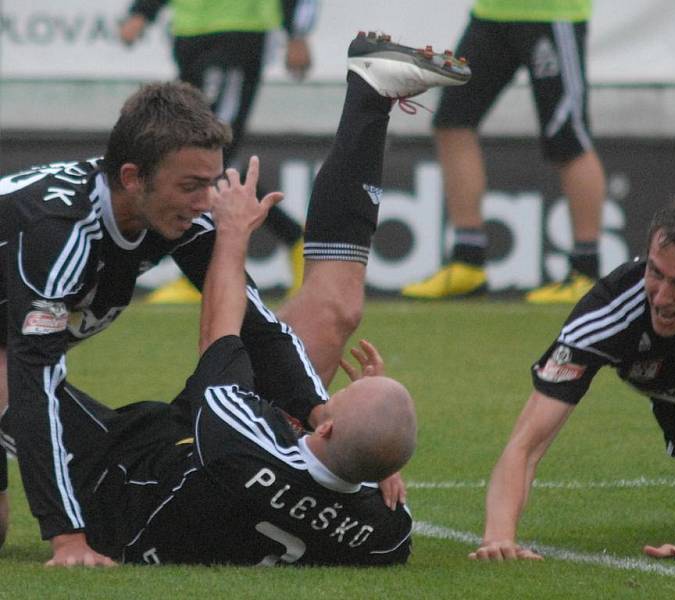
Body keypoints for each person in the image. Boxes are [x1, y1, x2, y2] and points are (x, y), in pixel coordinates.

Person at [0, 31, 469, 564]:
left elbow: (256, 326)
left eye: (212, 183)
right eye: (191, 187)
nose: (206, 203)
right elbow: (33, 376)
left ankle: (369, 97)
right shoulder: (56, 230)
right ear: (133, 178)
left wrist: (328, 422)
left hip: (150, 435)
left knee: (328, 316)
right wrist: (67, 536)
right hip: (30, 371)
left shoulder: (170, 208)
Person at [40, 147, 416, 566]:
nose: (322, 402)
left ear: (326, 429)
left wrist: (233, 234)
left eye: (332, 402)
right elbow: (371, 465)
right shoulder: (388, 535)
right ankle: (368, 104)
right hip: (205, 479)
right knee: (314, 329)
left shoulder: (240, 439)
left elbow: (220, 330)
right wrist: (378, 456)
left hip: (124, 481)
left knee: (10, 372)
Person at [471, 194, 675, 564]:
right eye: (655, 272)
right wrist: (499, 537)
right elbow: (525, 445)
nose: (661, 298)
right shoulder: (612, 309)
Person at [401, 0, 607, 303]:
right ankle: (468, 261)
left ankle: (586, 271)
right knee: (452, 122)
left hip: (551, 13)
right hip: (492, 12)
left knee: (569, 138)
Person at [119, 0, 318, 298]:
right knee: (205, 157)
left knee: (206, 151)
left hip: (239, 33)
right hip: (189, 33)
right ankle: (296, 241)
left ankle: (202, 270)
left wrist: (297, 33)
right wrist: (142, 12)